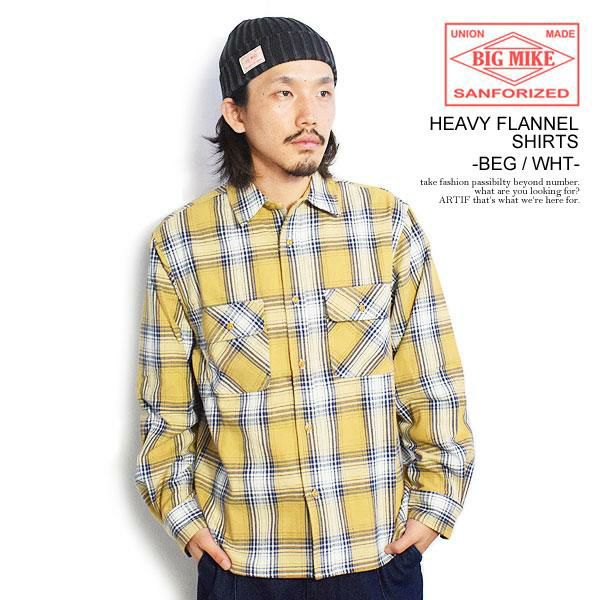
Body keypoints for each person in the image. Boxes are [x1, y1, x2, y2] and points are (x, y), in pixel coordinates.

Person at [135, 16, 475, 600]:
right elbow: (164, 413)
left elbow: (433, 384)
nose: (309, 115)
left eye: (323, 91)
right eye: (284, 93)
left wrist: (434, 508)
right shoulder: (183, 242)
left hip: (375, 559)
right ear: (235, 113)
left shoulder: (386, 224)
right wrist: (188, 526)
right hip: (244, 566)